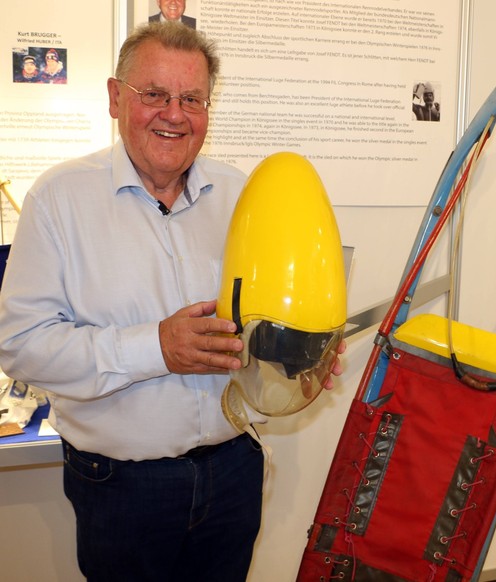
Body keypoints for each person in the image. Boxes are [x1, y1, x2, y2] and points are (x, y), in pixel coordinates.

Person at [0, 22, 344, 582]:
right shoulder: (59, 199)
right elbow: (21, 345)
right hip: (121, 486)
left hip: (233, 470)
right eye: (154, 95)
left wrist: (294, 355)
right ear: (116, 98)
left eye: (191, 99)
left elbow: (253, 322)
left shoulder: (241, 196)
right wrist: (155, 347)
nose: (174, 113)